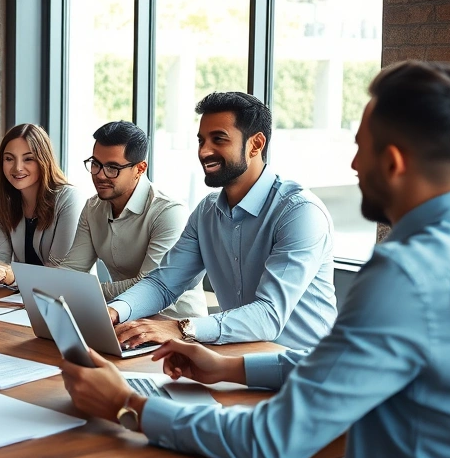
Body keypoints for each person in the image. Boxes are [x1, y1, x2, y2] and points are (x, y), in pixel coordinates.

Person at [60, 60, 450, 458]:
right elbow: (342, 366)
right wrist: (230, 366)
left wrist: (127, 405)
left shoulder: (400, 272)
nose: (352, 164)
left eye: (359, 148)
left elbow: (269, 442)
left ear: (392, 163)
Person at [109, 93, 336, 351]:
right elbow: (163, 283)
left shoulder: (300, 212)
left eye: (219, 139)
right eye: (201, 140)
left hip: (308, 371)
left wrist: (180, 328)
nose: (204, 151)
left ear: (256, 144)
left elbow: (269, 316)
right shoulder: (207, 211)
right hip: (237, 360)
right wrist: (115, 312)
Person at [54, 121, 206, 319]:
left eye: (112, 168)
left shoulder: (168, 212)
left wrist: (90, 292)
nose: (100, 175)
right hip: (120, 319)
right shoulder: (92, 208)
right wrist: (40, 285)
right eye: (96, 164)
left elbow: (150, 283)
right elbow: (73, 269)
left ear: (140, 169)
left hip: (173, 324)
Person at [0, 124, 86, 285]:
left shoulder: (70, 199)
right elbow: (0, 261)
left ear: (43, 160)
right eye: (9, 159)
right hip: (25, 299)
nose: (17, 168)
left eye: (28, 159)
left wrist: (8, 275)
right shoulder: (8, 203)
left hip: (72, 300)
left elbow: (60, 272)